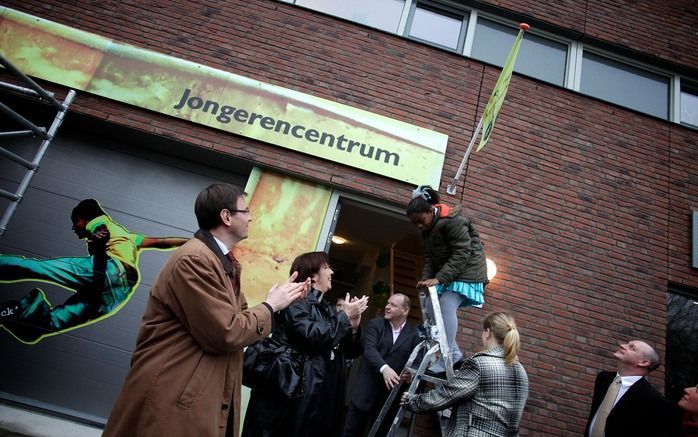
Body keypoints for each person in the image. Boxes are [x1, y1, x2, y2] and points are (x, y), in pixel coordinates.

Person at [102, 183, 310, 437]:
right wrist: (270, 305)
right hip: (172, 393)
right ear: (226, 217)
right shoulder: (196, 260)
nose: (251, 217)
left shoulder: (220, 262)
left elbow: (238, 320)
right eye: (245, 211)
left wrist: (280, 301)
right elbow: (226, 332)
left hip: (185, 393)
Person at [0, 198, 188, 343]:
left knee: (36, 268)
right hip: (119, 292)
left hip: (110, 269)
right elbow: (160, 242)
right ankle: (16, 314)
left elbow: (99, 227)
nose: (74, 227)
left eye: (76, 221)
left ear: (86, 218)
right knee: (54, 322)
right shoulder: (129, 237)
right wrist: (194, 242)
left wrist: (99, 238)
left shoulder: (97, 222)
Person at [242, 251, 369, 437]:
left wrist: (354, 326)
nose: (332, 272)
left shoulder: (325, 308)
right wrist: (344, 317)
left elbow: (351, 351)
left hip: (311, 395)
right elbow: (313, 336)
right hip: (288, 392)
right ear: (313, 276)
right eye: (327, 267)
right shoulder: (296, 301)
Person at [401, 312, 528, 437]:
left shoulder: (479, 364)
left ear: (488, 332)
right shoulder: (521, 371)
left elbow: (446, 395)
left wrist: (411, 400)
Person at [406, 185, 487, 375]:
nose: (419, 225)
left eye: (420, 220)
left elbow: (462, 253)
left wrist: (439, 279)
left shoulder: (453, 221)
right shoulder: (426, 232)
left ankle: (446, 356)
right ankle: (455, 353)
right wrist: (426, 280)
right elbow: (431, 259)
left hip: (468, 270)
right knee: (428, 307)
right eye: (415, 223)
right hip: (451, 272)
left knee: (445, 305)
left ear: (430, 210)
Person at [342, 293, 421, 437]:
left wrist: (412, 373)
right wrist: (384, 368)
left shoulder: (414, 334)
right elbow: (369, 350)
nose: (387, 307)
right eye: (387, 303)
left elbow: (417, 362)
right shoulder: (375, 324)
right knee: (351, 432)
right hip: (364, 393)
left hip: (388, 399)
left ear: (405, 310)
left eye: (393, 305)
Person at [584, 340, 680, 437]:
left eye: (632, 348)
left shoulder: (654, 400)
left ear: (643, 362)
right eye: (627, 344)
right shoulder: (603, 378)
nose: (622, 345)